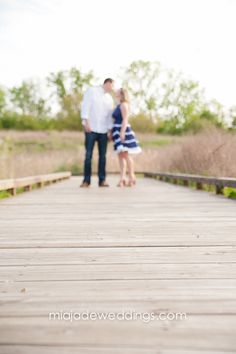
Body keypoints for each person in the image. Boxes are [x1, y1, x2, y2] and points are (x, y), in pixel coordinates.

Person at [80, 78, 114, 187]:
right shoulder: (92, 91)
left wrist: (110, 130)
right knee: (88, 155)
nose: (112, 89)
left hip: (103, 131)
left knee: (102, 157)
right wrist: (86, 122)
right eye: (111, 86)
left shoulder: (109, 98)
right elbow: (85, 106)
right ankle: (86, 181)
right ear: (107, 83)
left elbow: (109, 116)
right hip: (91, 128)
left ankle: (102, 180)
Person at [112, 88, 142, 187]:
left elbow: (125, 119)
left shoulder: (124, 105)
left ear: (121, 94)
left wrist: (122, 132)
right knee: (120, 156)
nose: (115, 93)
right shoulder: (118, 105)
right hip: (117, 130)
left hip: (122, 130)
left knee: (126, 155)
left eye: (117, 92)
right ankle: (122, 178)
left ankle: (131, 177)